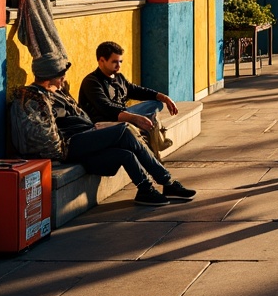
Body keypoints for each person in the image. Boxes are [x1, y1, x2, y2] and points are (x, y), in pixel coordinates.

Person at [11, 53, 196, 206]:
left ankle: (145, 190)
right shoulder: (37, 99)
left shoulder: (54, 93)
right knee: (125, 130)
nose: (63, 79)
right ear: (49, 76)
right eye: (60, 75)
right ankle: (167, 182)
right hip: (70, 145)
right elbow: (48, 139)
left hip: (84, 136)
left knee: (125, 153)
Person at [79, 41, 177, 158]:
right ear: (101, 61)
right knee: (142, 122)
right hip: (104, 121)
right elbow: (106, 108)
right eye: (114, 62)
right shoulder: (91, 82)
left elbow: (137, 90)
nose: (119, 65)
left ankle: (156, 142)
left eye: (120, 61)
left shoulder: (119, 77)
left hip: (125, 113)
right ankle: (156, 145)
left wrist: (165, 98)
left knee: (155, 104)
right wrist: (133, 118)